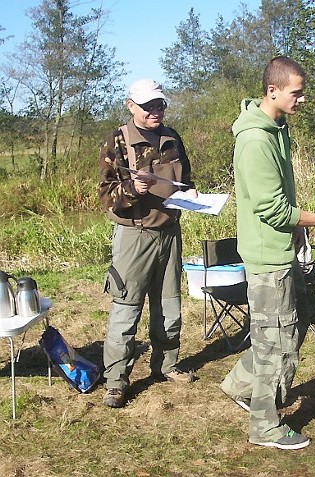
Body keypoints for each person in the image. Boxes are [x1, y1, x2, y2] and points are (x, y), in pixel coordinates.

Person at [219, 56, 315, 450]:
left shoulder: (277, 127)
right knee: (274, 343)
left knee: (289, 328)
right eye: (297, 92)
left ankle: (240, 385)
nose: (302, 99)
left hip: (281, 249)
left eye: (303, 91)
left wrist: (295, 233)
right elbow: (271, 208)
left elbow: (280, 203)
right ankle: (264, 426)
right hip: (267, 258)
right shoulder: (256, 139)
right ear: (272, 91)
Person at [98, 79, 197, 408]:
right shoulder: (118, 140)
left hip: (170, 233)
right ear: (131, 106)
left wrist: (191, 194)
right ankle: (115, 380)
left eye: (160, 105)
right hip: (134, 236)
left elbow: (185, 182)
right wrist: (132, 191)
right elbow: (105, 197)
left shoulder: (172, 137)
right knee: (126, 311)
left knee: (170, 308)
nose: (156, 112)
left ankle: (167, 365)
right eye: (148, 107)